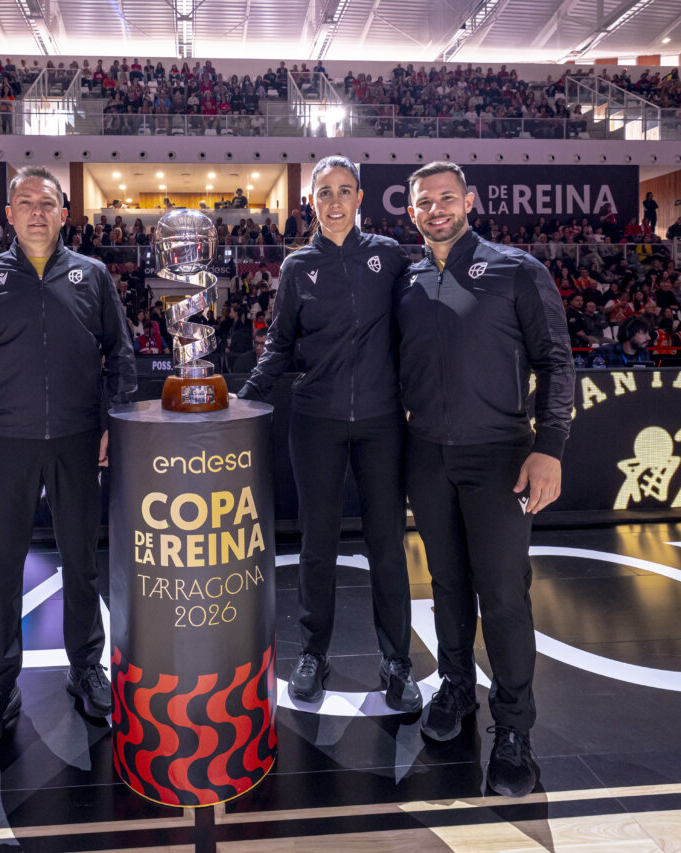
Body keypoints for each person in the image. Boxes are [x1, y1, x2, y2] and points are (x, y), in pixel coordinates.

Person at [394, 161, 573, 798]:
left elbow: (556, 360)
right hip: (425, 454)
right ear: (410, 211)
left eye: (446, 198)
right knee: (446, 585)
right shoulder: (406, 276)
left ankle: (515, 729)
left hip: (499, 454)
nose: (436, 210)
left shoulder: (517, 269)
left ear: (469, 200)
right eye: (424, 202)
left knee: (502, 595)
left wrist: (549, 446)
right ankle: (457, 690)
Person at [0, 165, 136, 752]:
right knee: (1, 568)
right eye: (24, 203)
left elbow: (120, 354)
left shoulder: (93, 275)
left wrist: (113, 421)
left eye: (47, 203)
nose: (36, 212)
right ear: (9, 214)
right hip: (6, 443)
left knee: (81, 562)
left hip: (80, 439)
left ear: (64, 212)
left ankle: (85, 666)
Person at [238, 155, 420, 713]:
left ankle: (397, 661)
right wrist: (243, 398)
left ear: (360, 198)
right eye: (325, 193)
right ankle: (313, 653)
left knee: (387, 545)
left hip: (382, 422)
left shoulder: (389, 257)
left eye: (345, 191)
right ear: (311, 202)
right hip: (314, 421)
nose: (335, 202)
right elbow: (280, 345)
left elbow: (416, 333)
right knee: (317, 544)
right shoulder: (297, 267)